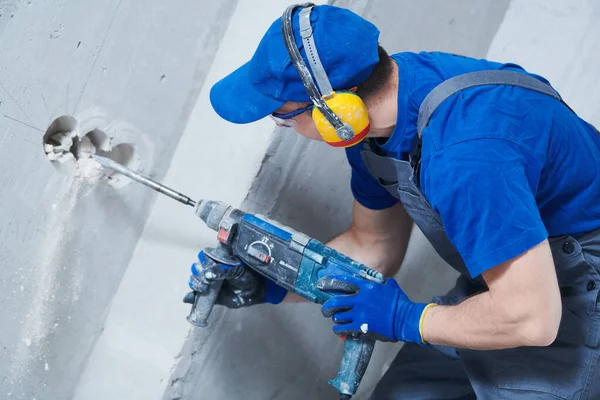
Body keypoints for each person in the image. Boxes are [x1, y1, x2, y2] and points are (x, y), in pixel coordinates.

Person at [188, 3, 600, 399]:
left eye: (281, 115)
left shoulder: (464, 156)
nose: (282, 126)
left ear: (335, 110)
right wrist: (271, 282)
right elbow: (374, 246)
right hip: (511, 278)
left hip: (570, 293)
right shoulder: (380, 119)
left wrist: (407, 319)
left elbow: (531, 318)